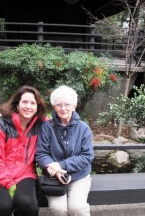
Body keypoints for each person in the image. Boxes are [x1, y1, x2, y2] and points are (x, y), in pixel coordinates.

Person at [0, 85, 47, 216]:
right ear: (17, 105)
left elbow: (59, 126)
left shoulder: (41, 125)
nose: (28, 106)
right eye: (25, 102)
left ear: (37, 108)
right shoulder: (0, 126)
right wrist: (9, 184)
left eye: (33, 103)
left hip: (24, 173)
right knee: (2, 207)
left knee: (28, 205)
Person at [35, 85, 94, 216]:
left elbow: (87, 156)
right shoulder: (46, 127)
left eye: (67, 104)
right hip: (54, 176)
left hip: (79, 175)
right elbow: (41, 154)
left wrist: (61, 165)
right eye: (58, 104)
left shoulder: (83, 128)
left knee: (77, 209)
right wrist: (55, 170)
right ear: (54, 106)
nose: (63, 108)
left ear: (74, 105)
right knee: (58, 209)